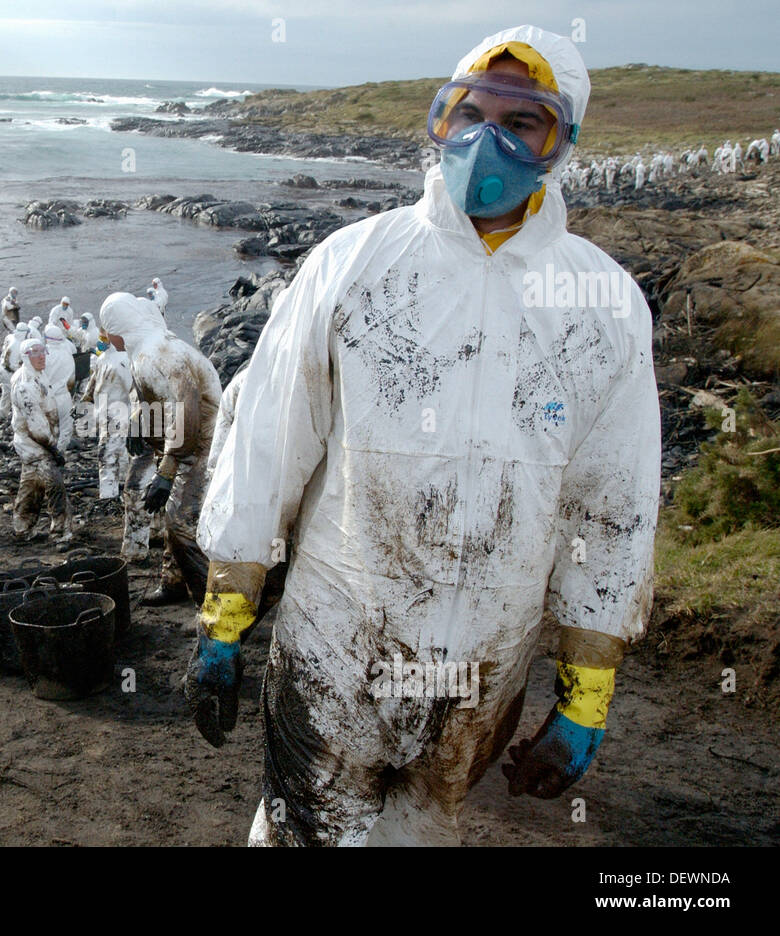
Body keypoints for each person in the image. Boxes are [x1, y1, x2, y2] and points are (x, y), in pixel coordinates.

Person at [188, 25, 661, 847]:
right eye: (467, 113)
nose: (486, 142)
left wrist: (585, 697)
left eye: (522, 124)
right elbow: (268, 441)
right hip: (337, 644)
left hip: (484, 671)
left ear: (565, 143)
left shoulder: (604, 305)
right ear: (439, 120)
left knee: (423, 832)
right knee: (303, 830)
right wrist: (225, 617)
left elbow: (612, 508)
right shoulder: (355, 263)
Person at [99, 291, 221, 606]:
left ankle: (213, 602)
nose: (106, 338)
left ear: (118, 327)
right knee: (172, 514)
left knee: (181, 521)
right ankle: (173, 582)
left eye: (107, 330)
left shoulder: (158, 353)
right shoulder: (145, 349)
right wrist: (139, 422)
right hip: (183, 441)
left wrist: (167, 470)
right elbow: (156, 397)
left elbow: (185, 406)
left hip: (201, 443)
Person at [10, 338, 71, 542]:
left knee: (31, 484)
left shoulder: (39, 375)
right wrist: (54, 449)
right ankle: (60, 532)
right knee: (55, 484)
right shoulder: (25, 386)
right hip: (35, 444)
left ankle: (22, 527)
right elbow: (37, 426)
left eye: (42, 351)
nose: (41, 356)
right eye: (34, 352)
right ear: (25, 357)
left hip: (36, 443)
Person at [80, 333, 133, 499]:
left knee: (107, 455)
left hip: (119, 415)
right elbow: (94, 383)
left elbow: (132, 391)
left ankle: (109, 495)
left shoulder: (123, 360)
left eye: (104, 338)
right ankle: (123, 488)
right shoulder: (103, 358)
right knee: (121, 453)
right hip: (106, 415)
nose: (101, 341)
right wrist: (85, 401)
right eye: (101, 338)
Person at [43, 323, 76, 450]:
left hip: (47, 397)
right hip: (64, 396)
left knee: (47, 428)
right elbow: (72, 379)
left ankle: (48, 455)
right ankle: (60, 453)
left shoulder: (42, 354)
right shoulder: (67, 354)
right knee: (65, 428)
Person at [0, 324, 28, 422]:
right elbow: (13, 364)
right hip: (9, 373)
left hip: (2, 369)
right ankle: (16, 418)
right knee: (15, 396)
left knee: (6, 394)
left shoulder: (10, 337)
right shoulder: (20, 345)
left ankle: (1, 415)